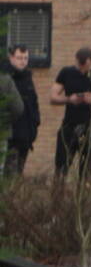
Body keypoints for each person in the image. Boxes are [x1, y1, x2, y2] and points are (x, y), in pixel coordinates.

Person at [50, 47, 91, 180]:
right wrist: (69, 99)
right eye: (78, 64)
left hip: (89, 128)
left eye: (83, 65)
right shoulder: (66, 72)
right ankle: (57, 197)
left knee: (87, 171)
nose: (80, 68)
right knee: (61, 169)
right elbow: (53, 97)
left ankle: (84, 197)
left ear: (90, 62)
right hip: (68, 126)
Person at [1, 45, 38, 179]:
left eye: (25, 58)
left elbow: (33, 105)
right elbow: (14, 108)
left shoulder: (28, 77)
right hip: (11, 135)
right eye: (19, 58)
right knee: (9, 175)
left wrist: (34, 125)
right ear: (11, 58)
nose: (23, 61)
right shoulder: (6, 79)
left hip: (26, 135)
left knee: (19, 174)